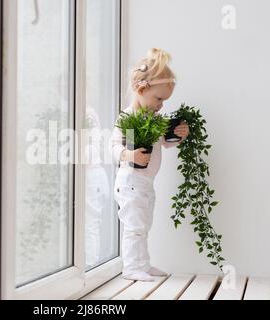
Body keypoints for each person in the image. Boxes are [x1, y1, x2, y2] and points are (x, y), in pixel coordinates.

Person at [109, 48, 190, 281]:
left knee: (143, 225)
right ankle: (132, 268)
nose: (161, 105)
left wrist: (179, 135)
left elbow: (164, 142)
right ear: (141, 89)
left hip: (145, 183)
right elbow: (113, 147)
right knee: (134, 226)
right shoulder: (128, 118)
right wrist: (130, 155)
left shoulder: (152, 119)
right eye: (159, 99)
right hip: (131, 182)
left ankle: (142, 264)